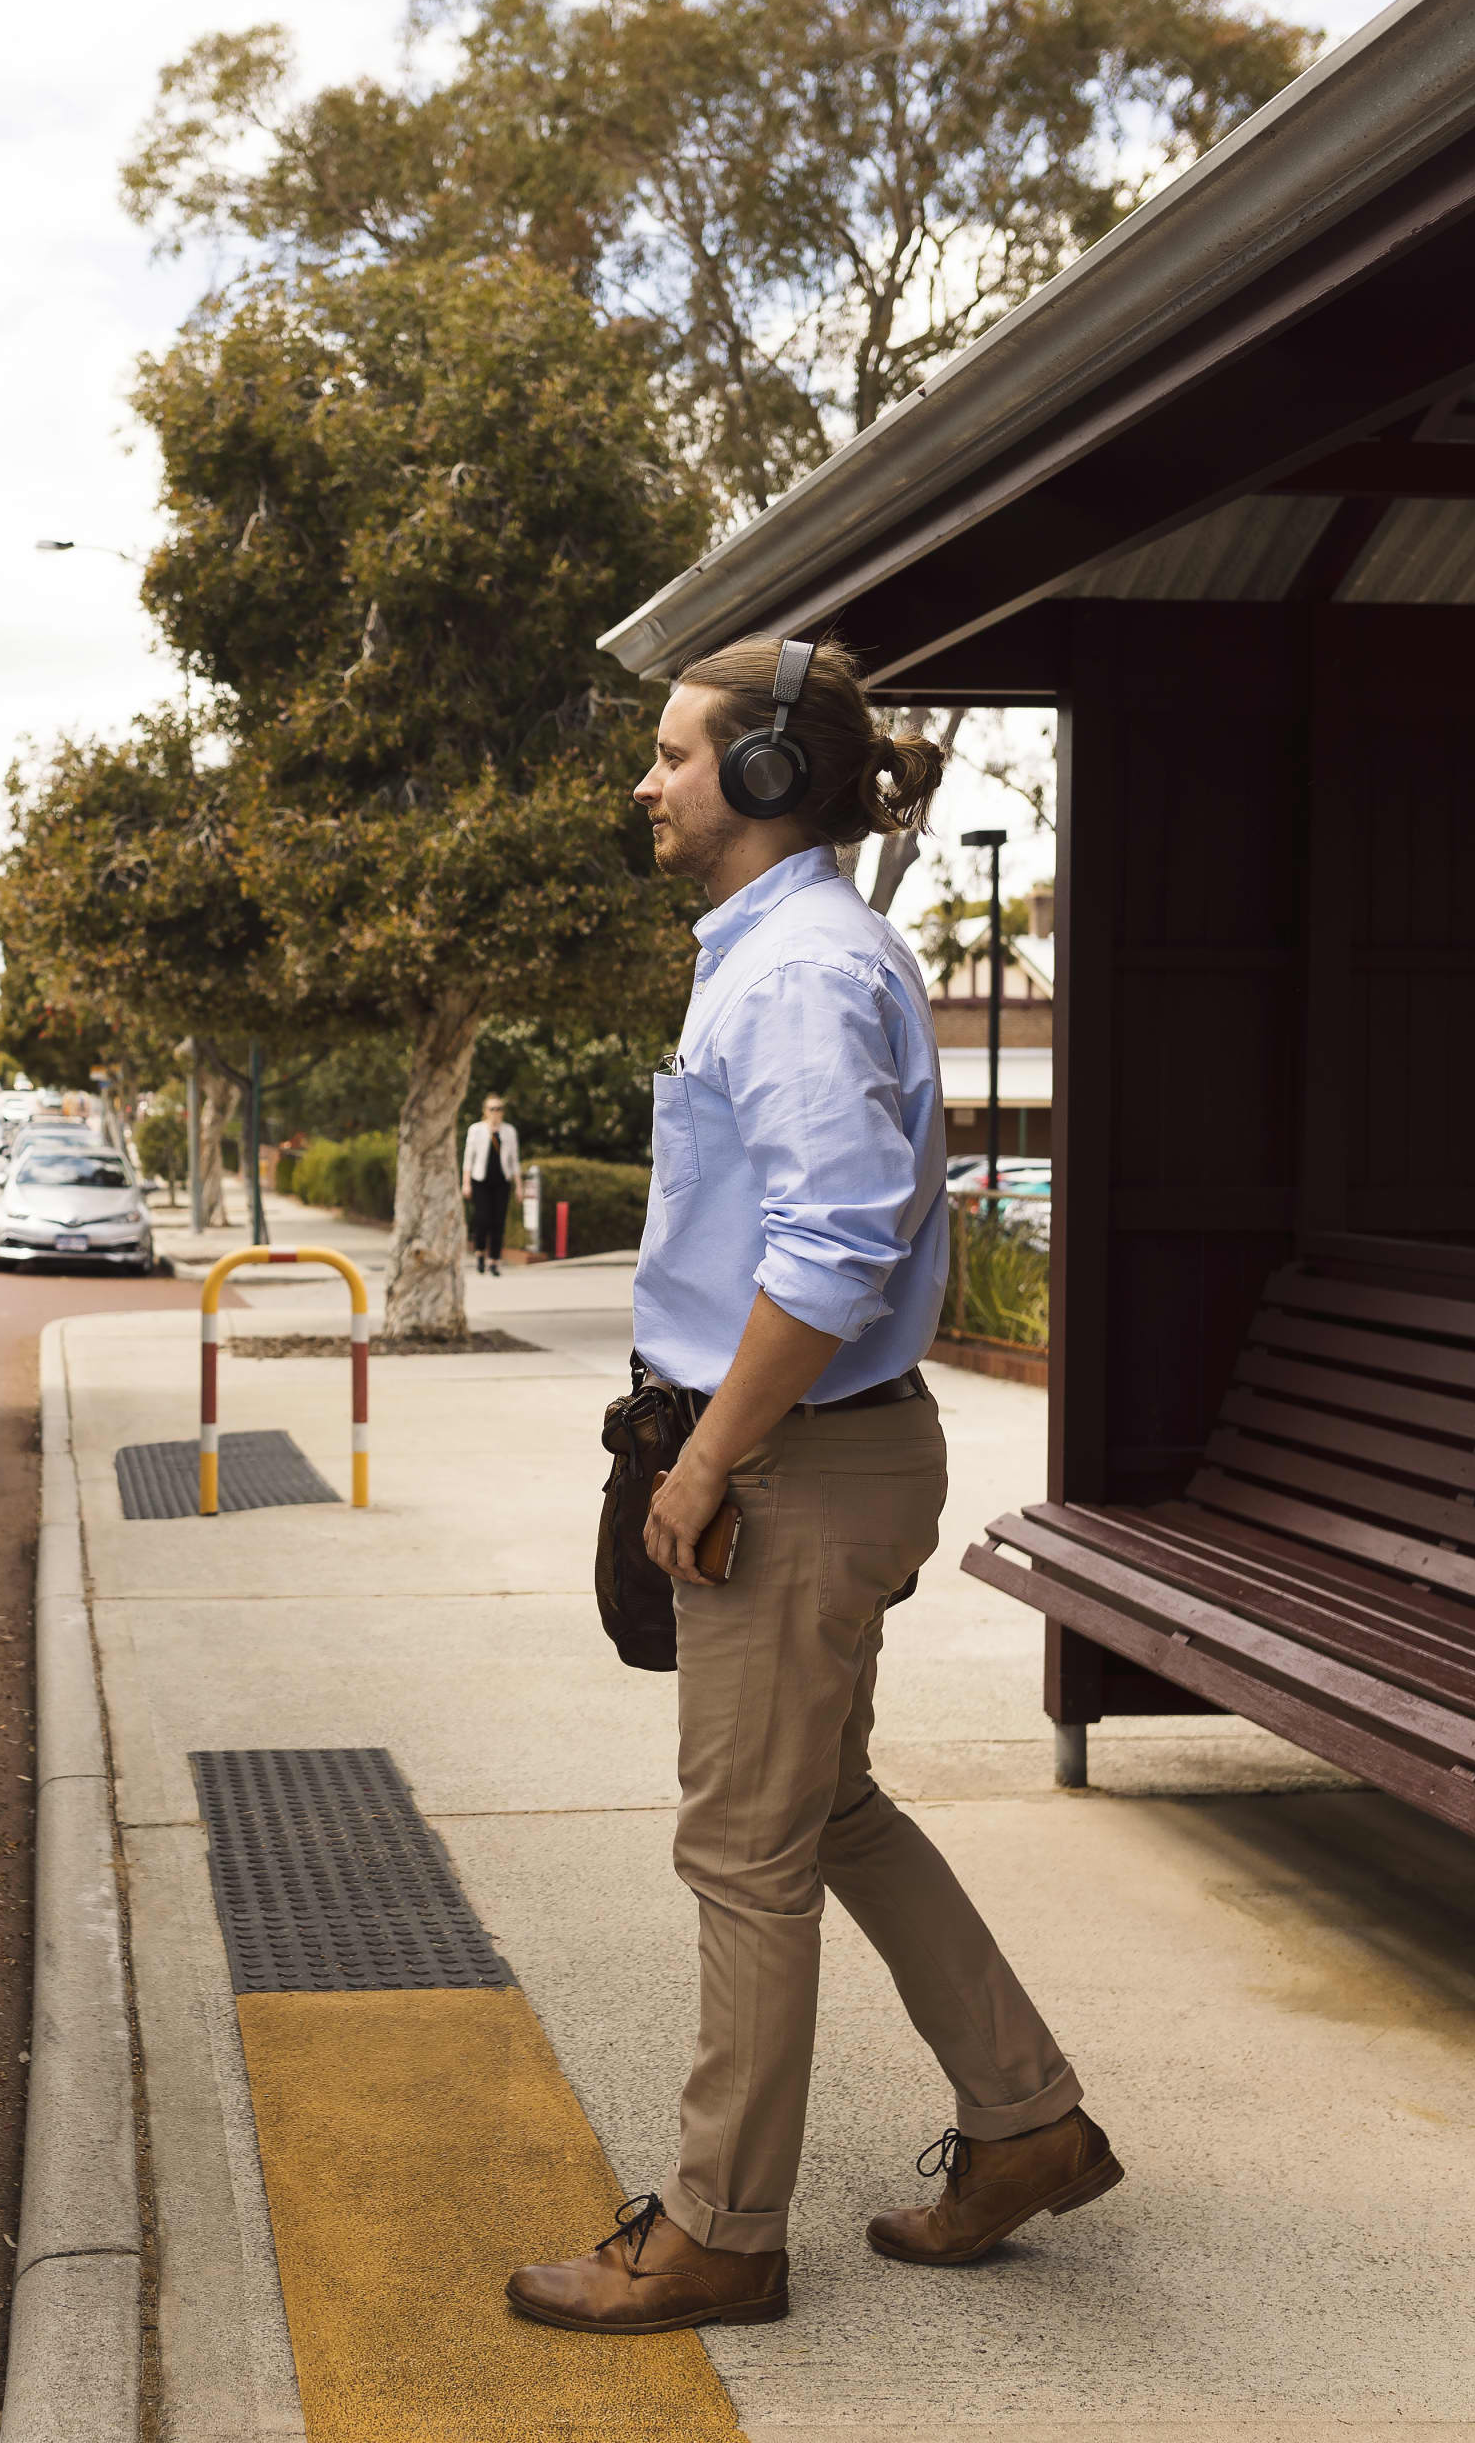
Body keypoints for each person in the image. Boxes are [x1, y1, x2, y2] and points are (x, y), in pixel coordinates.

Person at [507, 635, 1113, 2338]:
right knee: (824, 1812)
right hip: (811, 1448)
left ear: (764, 779)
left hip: (790, 1460)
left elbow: (832, 1245)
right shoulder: (777, 956)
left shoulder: (797, 975)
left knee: (745, 1850)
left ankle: (719, 2233)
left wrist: (707, 1460)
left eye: (676, 755)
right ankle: (1029, 2124)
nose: (648, 781)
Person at [460, 1093, 523, 1276]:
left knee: (498, 1221)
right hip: (480, 1180)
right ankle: (480, 1252)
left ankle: (494, 1260)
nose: (496, 1112)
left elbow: (514, 1160)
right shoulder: (476, 1130)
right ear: (485, 1111)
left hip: (501, 1181)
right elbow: (468, 1158)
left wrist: (519, 1186)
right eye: (492, 1108)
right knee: (482, 1219)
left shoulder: (509, 1131)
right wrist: (466, 1183)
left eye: (499, 1108)